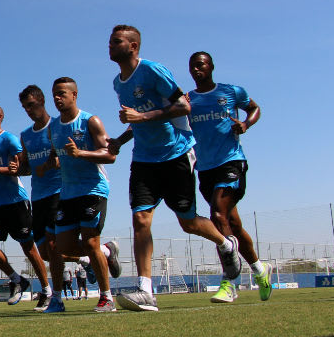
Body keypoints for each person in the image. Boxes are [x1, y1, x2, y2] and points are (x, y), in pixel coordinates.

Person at [106, 25, 245, 312]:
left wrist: (142, 116)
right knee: (141, 219)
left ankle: (225, 243)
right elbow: (137, 120)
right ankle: (146, 291)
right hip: (143, 159)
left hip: (176, 154)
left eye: (116, 41)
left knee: (188, 222)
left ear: (133, 46)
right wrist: (119, 140)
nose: (110, 45)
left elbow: (183, 107)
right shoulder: (118, 83)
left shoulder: (153, 70)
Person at [187, 51, 271, 302]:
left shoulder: (232, 92)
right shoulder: (187, 100)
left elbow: (254, 108)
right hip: (205, 169)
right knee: (232, 225)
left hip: (232, 162)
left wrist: (245, 124)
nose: (196, 69)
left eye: (201, 65)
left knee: (217, 215)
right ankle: (260, 270)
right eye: (192, 66)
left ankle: (229, 283)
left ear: (211, 66)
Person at [41, 78, 121, 313]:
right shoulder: (52, 128)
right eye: (54, 94)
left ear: (74, 95)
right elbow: (57, 155)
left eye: (62, 93)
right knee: (60, 247)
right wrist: (49, 164)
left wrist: (80, 153)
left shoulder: (90, 121)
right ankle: (107, 252)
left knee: (89, 241)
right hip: (68, 193)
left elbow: (110, 155)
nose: (57, 98)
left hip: (93, 189)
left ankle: (107, 298)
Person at [0, 104, 51, 305]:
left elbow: (21, 169)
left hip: (16, 201)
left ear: (0, 117)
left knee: (28, 247)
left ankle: (47, 291)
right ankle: (17, 280)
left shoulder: (9, 139)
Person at [17, 85, 61, 311]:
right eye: (25, 108)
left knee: (53, 246)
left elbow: (66, 156)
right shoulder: (25, 135)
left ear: (43, 101)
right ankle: (100, 254)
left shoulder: (57, 126)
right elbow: (27, 168)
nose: (28, 110)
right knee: (45, 252)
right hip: (39, 197)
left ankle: (57, 298)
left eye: (31, 105)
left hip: (59, 192)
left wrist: (54, 162)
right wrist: (17, 167)